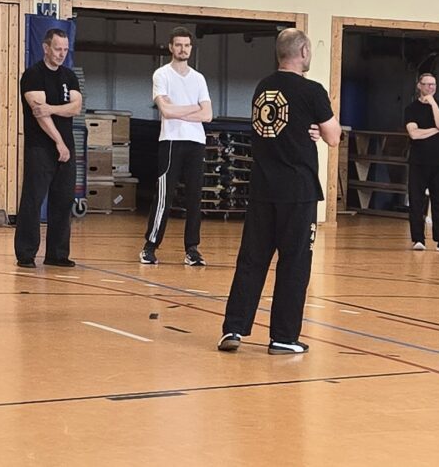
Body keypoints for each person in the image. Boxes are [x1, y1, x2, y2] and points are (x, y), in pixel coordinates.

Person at [218, 28, 340, 355]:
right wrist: (318, 128)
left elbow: (283, 126)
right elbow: (334, 136)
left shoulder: (263, 87)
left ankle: (233, 328)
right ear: (303, 52)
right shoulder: (312, 90)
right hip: (297, 191)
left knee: (252, 260)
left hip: (262, 188)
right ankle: (284, 336)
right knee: (294, 262)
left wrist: (309, 127)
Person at [139, 27, 213, 266]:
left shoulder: (198, 78)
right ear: (171, 47)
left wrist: (179, 109)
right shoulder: (162, 75)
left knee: (194, 197)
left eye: (187, 45)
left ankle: (192, 249)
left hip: (196, 142)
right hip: (171, 141)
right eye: (179, 45)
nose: (183, 49)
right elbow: (166, 111)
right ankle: (150, 246)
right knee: (164, 195)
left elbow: (208, 115)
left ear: (191, 48)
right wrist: (194, 107)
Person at [14, 28, 82, 269]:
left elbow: (76, 108)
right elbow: (40, 115)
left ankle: (57, 253)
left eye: (65, 49)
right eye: (57, 49)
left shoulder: (69, 76)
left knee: (63, 199)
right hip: (40, 147)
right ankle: (26, 253)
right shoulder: (33, 75)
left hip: (66, 148)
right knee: (33, 199)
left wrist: (52, 108)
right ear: (45, 48)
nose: (61, 54)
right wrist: (58, 142)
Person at [404, 73, 439, 253]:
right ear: (419, 86)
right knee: (417, 201)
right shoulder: (411, 109)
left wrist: (433, 103)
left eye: (433, 85)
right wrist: (436, 130)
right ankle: (418, 239)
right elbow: (414, 134)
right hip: (418, 161)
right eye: (427, 84)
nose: (430, 88)